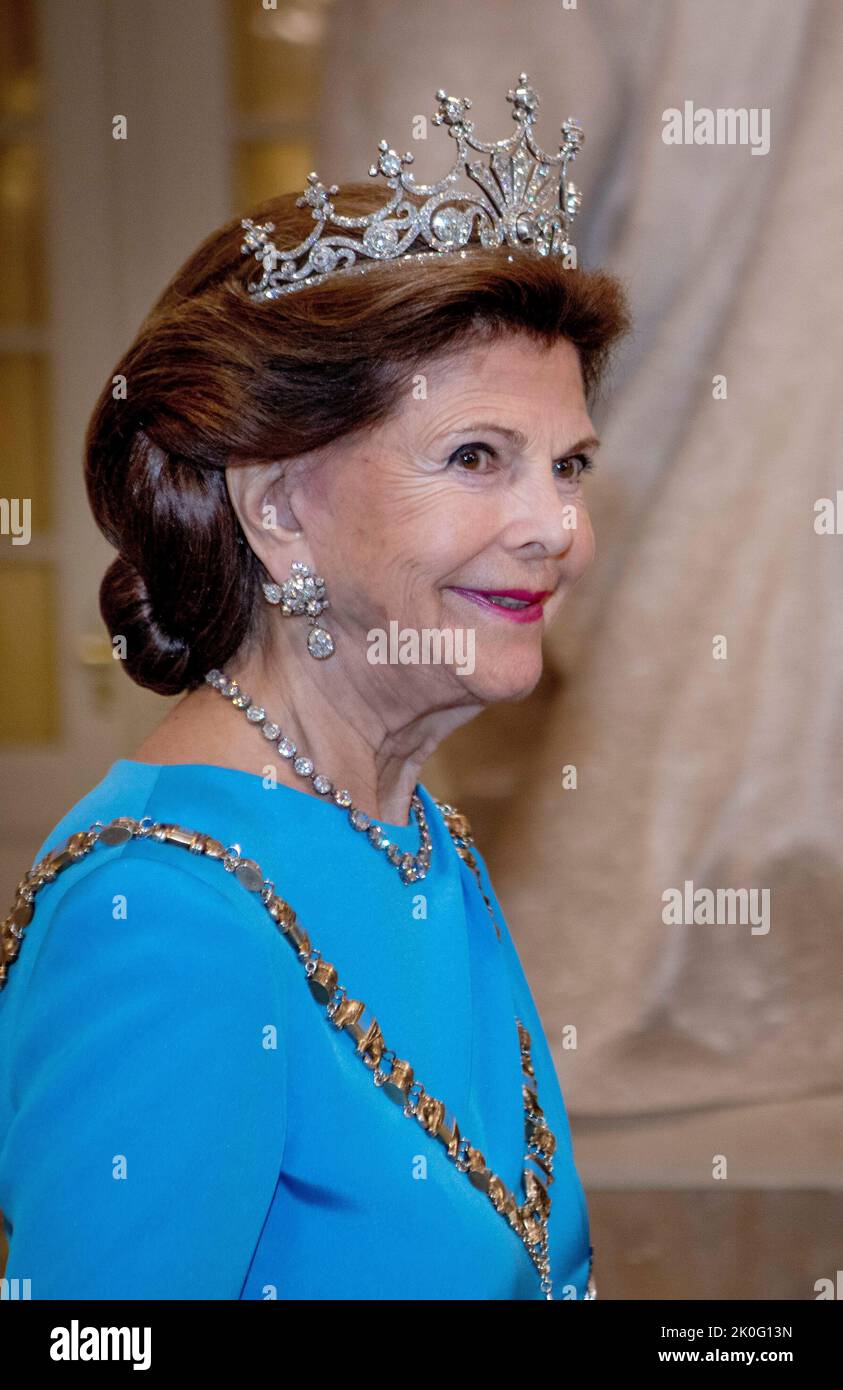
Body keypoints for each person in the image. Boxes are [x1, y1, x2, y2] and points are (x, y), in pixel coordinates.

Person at [0, 76, 629, 1299]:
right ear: (279, 505)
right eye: (476, 458)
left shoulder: (412, 836)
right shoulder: (165, 916)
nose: (557, 525)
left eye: (568, 464)